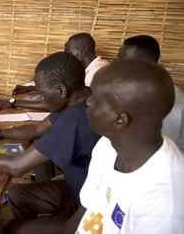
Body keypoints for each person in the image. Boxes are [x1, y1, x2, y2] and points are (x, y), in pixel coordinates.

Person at [0, 52, 101, 233]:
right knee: (16, 195)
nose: (42, 100)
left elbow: (16, 166)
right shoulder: (81, 99)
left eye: (43, 94)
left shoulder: (75, 120)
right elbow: (35, 130)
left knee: (13, 229)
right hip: (79, 190)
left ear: (61, 90)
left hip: (91, 210)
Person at [63, 59, 184, 233]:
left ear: (120, 119)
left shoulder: (163, 204)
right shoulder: (108, 145)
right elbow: (87, 210)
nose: (87, 102)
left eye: (95, 98)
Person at [0, 33, 108, 111]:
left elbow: (57, 103)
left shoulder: (97, 72)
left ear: (81, 53)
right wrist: (30, 88)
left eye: (68, 51)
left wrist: (13, 103)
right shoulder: (93, 67)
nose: (65, 55)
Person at [117, 34, 184, 152]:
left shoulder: (175, 104)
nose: (116, 65)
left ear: (148, 63)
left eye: (123, 60)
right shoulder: (123, 90)